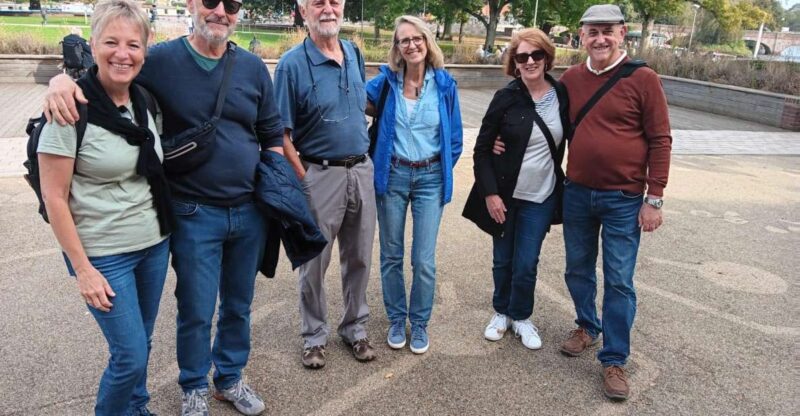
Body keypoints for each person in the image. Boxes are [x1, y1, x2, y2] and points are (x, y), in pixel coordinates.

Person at [43, 0, 286, 414]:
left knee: (238, 305)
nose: (220, 11)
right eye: (210, 1)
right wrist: (59, 82)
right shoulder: (158, 59)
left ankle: (229, 378)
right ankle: (193, 386)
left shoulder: (251, 67)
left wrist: (279, 185)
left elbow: (271, 132)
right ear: (192, 4)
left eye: (233, 4)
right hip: (192, 212)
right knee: (194, 308)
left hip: (247, 211)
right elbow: (106, 70)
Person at [38, 1, 172, 414]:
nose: (122, 53)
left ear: (145, 52)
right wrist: (82, 269)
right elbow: (54, 197)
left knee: (142, 342)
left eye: (133, 44)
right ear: (93, 45)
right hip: (103, 254)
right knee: (129, 355)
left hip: (153, 242)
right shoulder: (68, 110)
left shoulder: (144, 101)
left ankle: (137, 408)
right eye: (111, 42)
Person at [558, 4, 671, 401]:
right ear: (581, 35)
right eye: (593, 32)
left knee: (619, 281)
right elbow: (544, 120)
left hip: (624, 198)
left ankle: (614, 358)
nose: (600, 39)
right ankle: (588, 326)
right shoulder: (571, 78)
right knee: (577, 269)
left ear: (623, 33)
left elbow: (660, 139)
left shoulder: (644, 78)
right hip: (576, 193)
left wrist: (654, 198)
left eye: (608, 31)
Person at [273, 0, 376, 369]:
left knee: (360, 257)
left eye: (334, 1)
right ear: (304, 11)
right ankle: (314, 336)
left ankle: (355, 327)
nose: (328, 9)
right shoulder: (291, 65)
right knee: (314, 262)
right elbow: (280, 134)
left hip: (361, 171)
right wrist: (304, 177)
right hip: (319, 174)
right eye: (318, 2)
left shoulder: (354, 53)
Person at [466, 28, 568, 352]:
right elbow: (482, 150)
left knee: (526, 262)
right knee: (502, 260)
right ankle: (501, 312)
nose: (529, 61)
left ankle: (521, 316)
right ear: (514, 62)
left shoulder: (562, 96)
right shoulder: (506, 98)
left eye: (536, 54)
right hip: (506, 196)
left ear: (547, 57)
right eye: (522, 56)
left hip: (541, 196)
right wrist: (490, 194)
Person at [365, 15, 462, 355]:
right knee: (391, 253)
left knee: (423, 259)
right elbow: (354, 102)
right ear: (397, 48)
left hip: (430, 178)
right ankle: (396, 317)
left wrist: (442, 166)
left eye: (416, 38)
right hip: (392, 175)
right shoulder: (385, 83)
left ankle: (418, 322)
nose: (411, 45)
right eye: (403, 40)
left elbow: (455, 138)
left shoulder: (446, 84)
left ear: (427, 41)